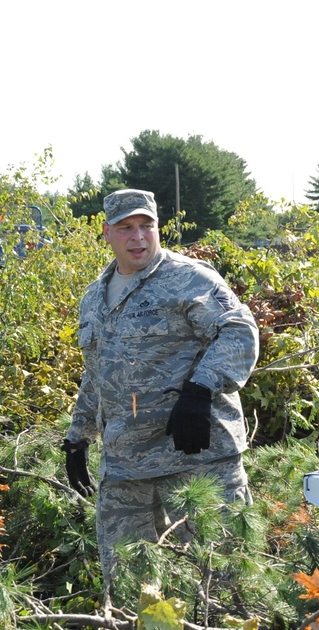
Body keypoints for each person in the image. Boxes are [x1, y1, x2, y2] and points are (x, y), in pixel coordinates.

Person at [62, 188, 260, 587]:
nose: (137, 237)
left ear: (157, 228)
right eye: (125, 228)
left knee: (222, 579)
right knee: (126, 581)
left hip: (197, 457)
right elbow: (98, 373)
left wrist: (200, 390)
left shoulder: (189, 278)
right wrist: (78, 436)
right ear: (107, 233)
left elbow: (239, 332)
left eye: (146, 226)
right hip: (126, 465)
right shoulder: (94, 297)